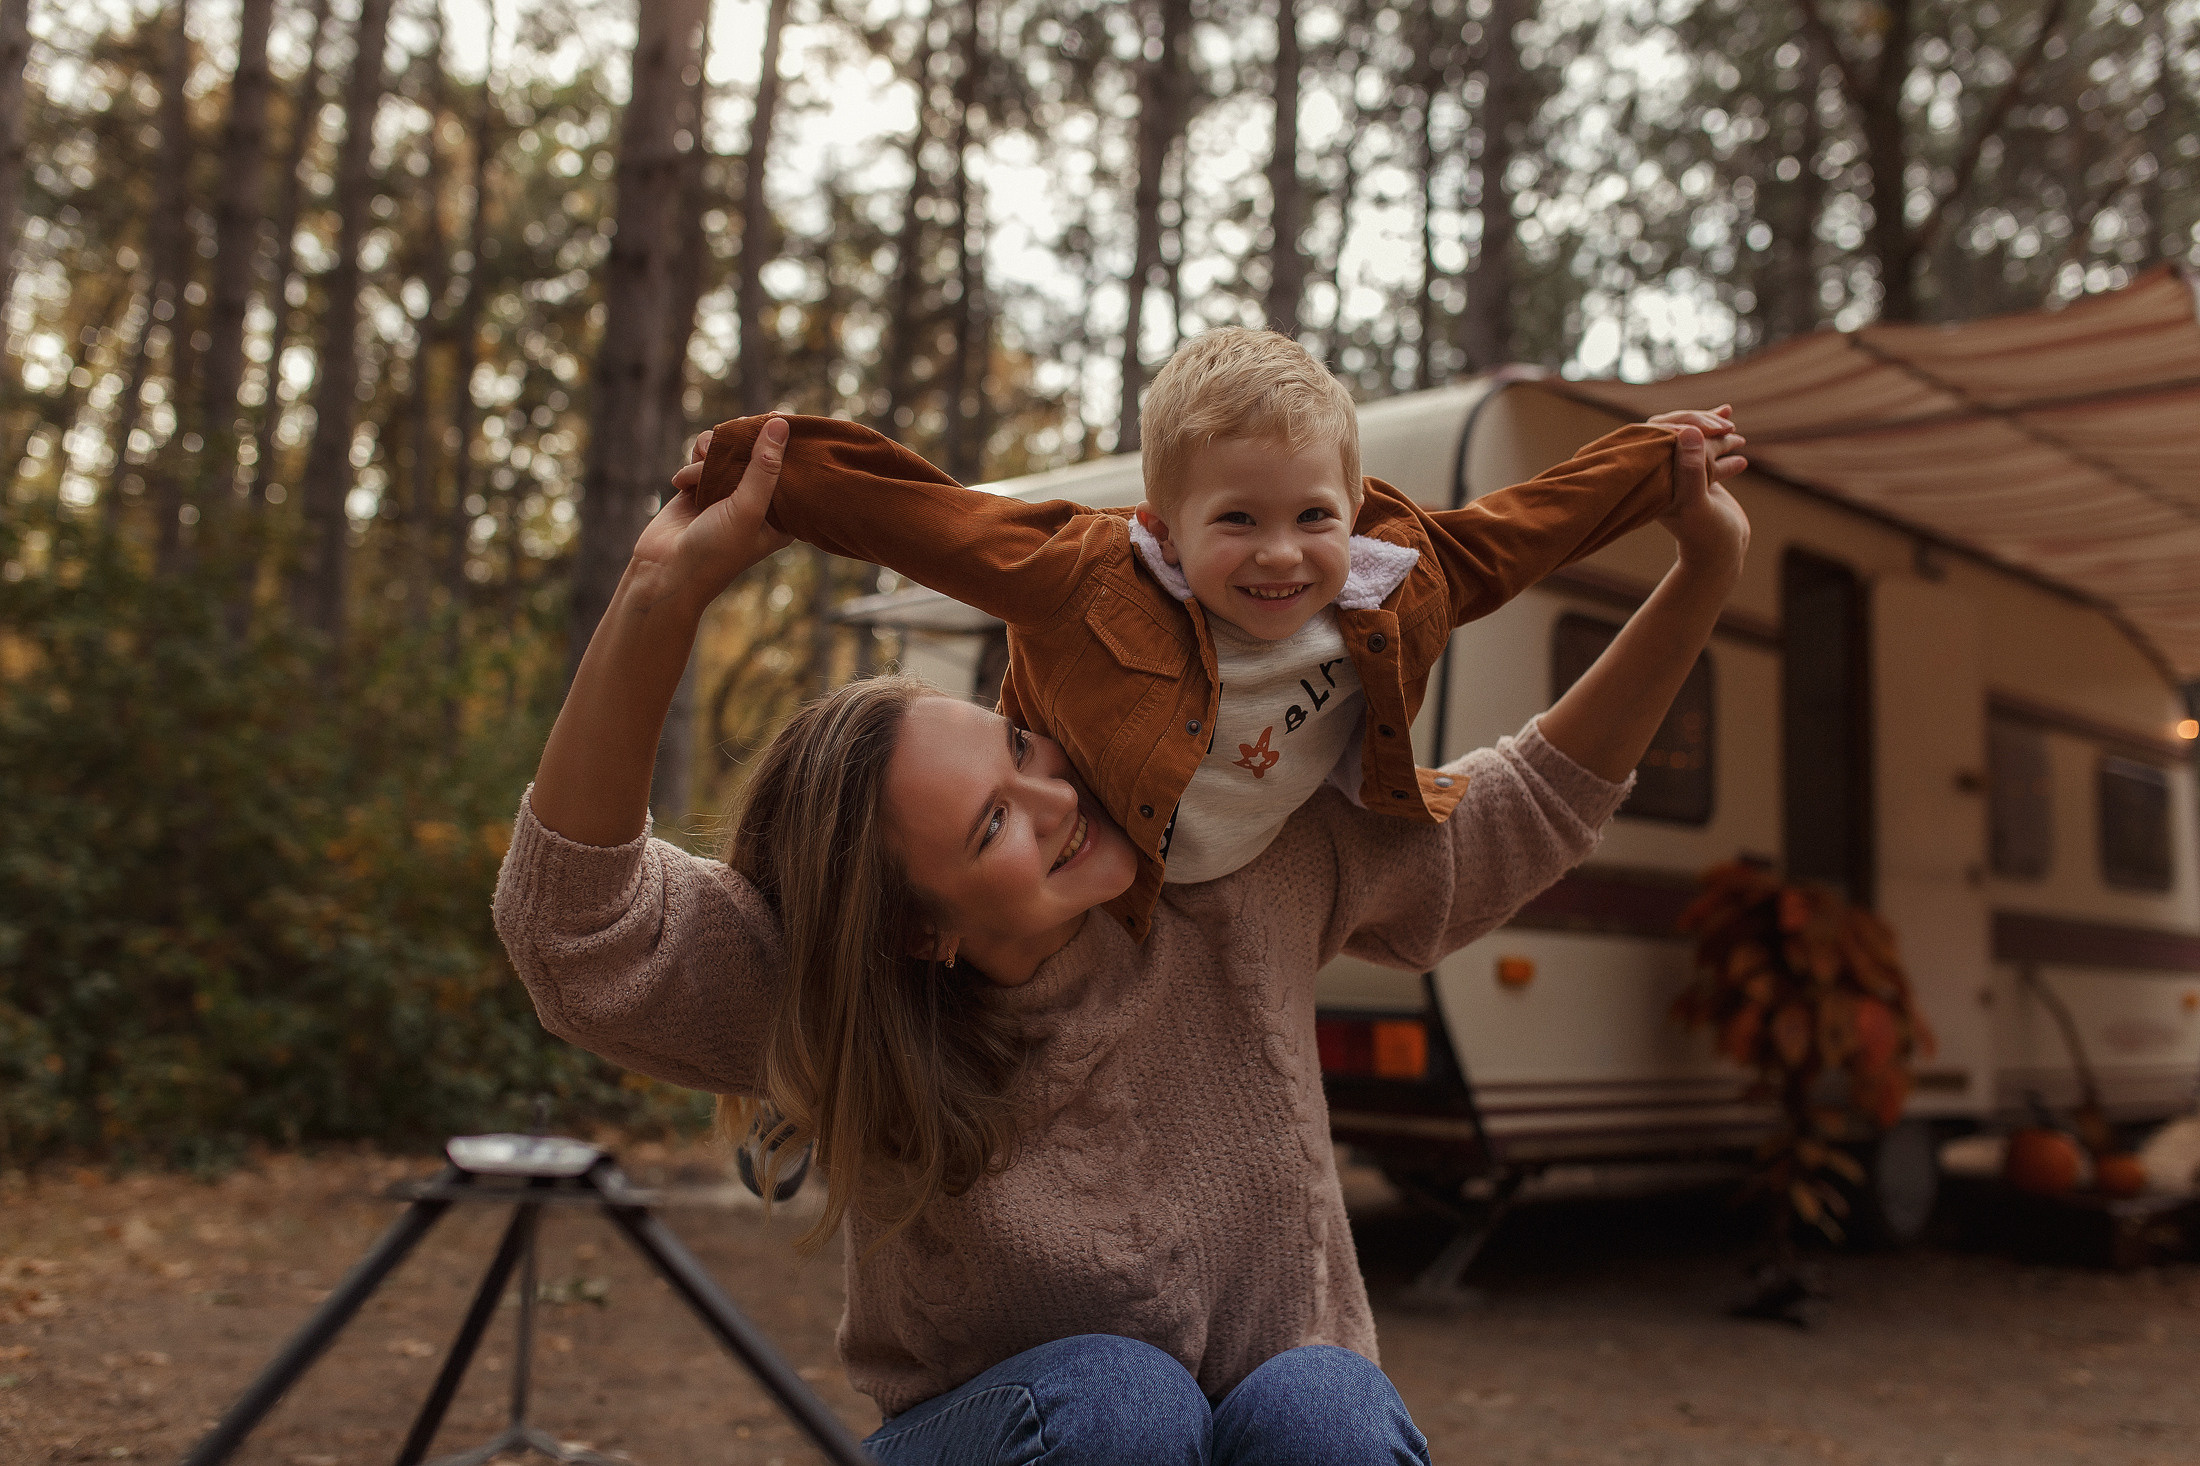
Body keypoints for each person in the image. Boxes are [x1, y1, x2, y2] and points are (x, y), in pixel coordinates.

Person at [495, 415, 1749, 1464]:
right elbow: (576, 926)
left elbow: (1514, 809)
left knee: (1328, 1407)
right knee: (1119, 1397)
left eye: (1022, 750)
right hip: (1016, 1435)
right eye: (994, 821)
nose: (1056, 797)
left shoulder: (1230, 857)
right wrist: (666, 589)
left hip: (1266, 1427)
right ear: (915, 928)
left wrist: (1697, 574)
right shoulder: (834, 985)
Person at [671, 328, 1744, 938]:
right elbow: (932, 519)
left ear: (1352, 505)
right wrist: (755, 472)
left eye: (1312, 517)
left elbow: (1527, 528)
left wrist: (1657, 463)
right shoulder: (1090, 578)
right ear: (1163, 531)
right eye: (1238, 521)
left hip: (1263, 861)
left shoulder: (1392, 583)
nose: (1282, 554)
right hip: (1103, 863)